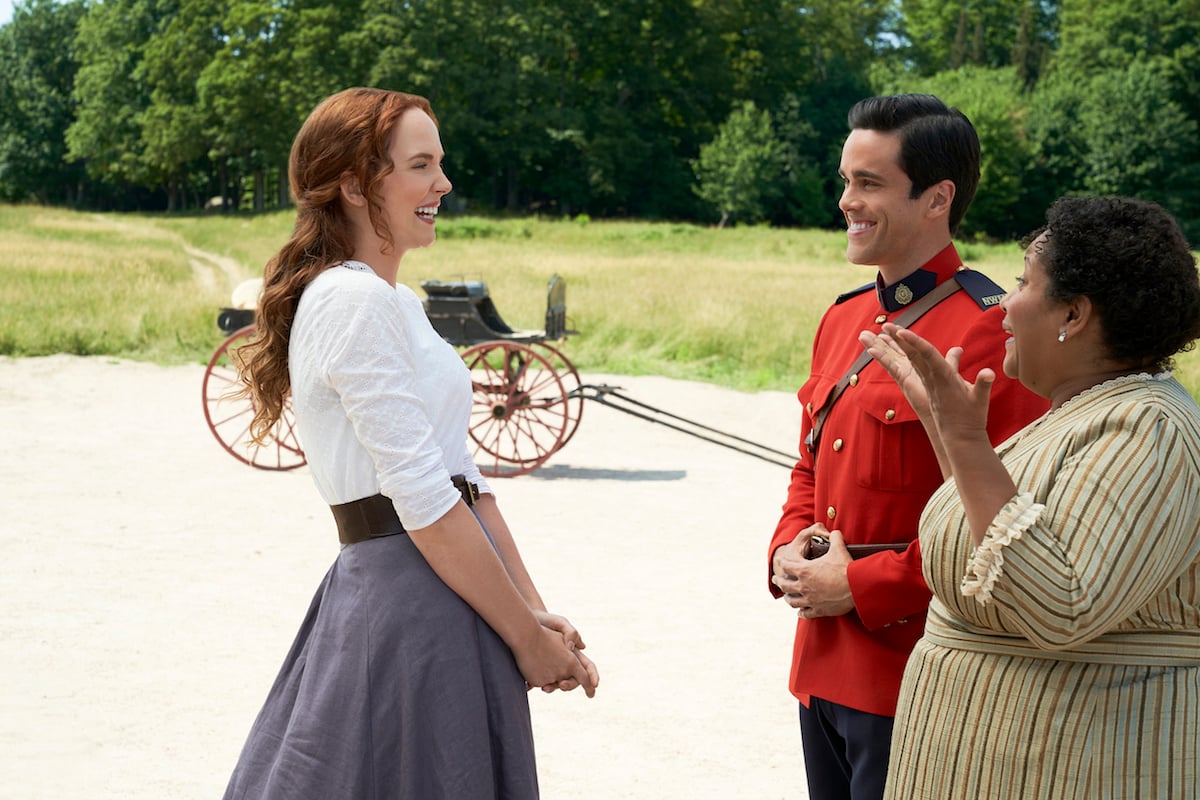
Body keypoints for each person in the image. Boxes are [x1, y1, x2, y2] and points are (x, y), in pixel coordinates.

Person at [222, 87, 598, 800]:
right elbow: (421, 497)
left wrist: (533, 613)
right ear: (356, 187)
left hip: (457, 586)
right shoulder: (349, 301)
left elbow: (464, 478)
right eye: (421, 165)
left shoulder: (397, 301)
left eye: (441, 163)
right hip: (404, 600)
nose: (443, 184)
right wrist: (521, 636)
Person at [859, 194, 1200, 798]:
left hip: (1070, 765)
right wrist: (942, 424)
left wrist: (965, 437)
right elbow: (993, 538)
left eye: (1023, 283)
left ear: (1073, 315)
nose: (1005, 305)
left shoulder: (1147, 427)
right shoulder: (1084, 411)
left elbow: (1060, 603)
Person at [767, 93, 1048, 800]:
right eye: (845, 180)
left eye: (868, 184)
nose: (845, 201)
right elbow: (811, 462)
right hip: (821, 663)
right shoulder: (844, 318)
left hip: (914, 674)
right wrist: (787, 547)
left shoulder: (992, 332)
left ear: (937, 198)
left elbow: (1007, 518)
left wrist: (858, 585)